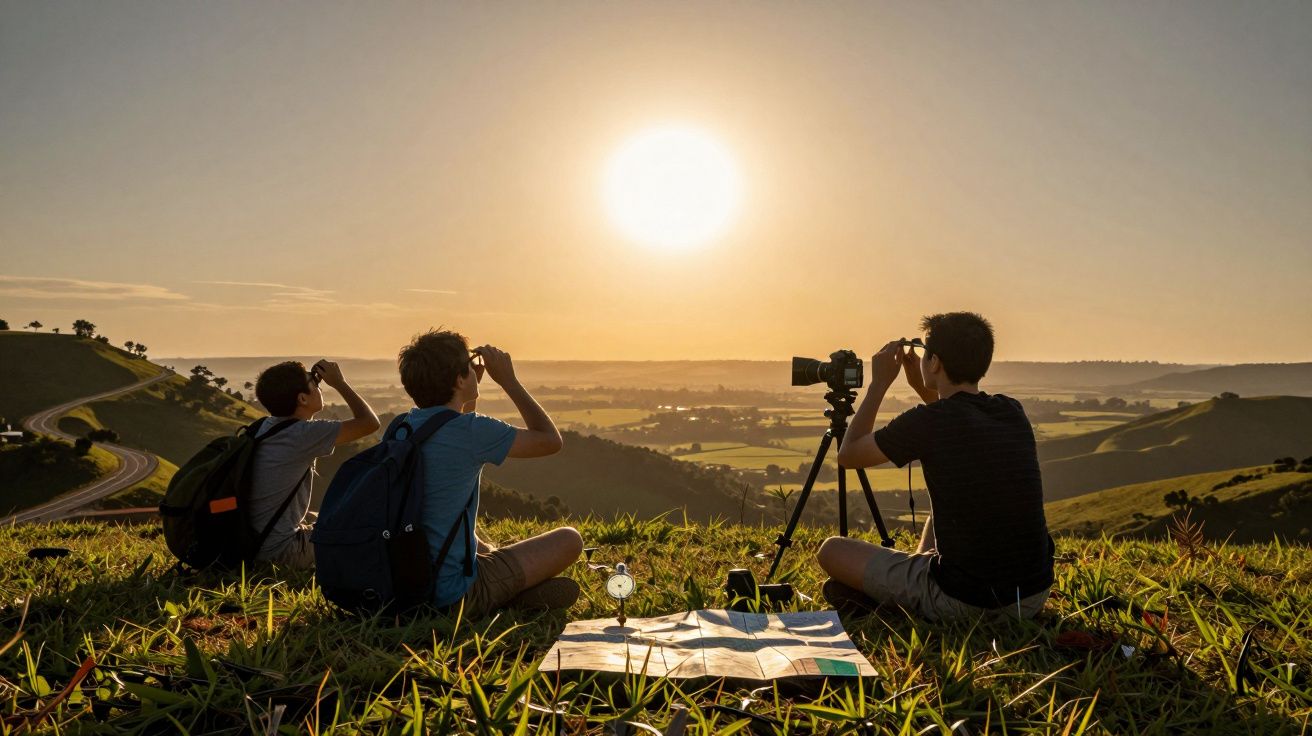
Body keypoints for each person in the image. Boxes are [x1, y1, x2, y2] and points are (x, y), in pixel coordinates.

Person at [819, 312, 1053, 622]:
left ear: (935, 362)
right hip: (1031, 596)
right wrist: (922, 384)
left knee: (831, 550)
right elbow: (955, 422)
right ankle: (916, 580)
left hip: (964, 601)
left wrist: (879, 384)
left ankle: (911, 601)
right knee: (950, 502)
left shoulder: (926, 422)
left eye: (925, 351)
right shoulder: (1011, 410)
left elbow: (848, 455)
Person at [397, 329, 583, 616]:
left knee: (481, 543)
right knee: (570, 540)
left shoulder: (401, 427)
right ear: (459, 379)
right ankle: (506, 599)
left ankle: (509, 588)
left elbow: (451, 431)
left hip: (402, 586)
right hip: (450, 596)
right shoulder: (473, 431)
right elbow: (549, 440)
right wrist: (508, 380)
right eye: (468, 367)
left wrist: (464, 393)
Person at [250, 360, 380, 568]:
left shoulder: (264, 427)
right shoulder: (302, 434)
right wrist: (339, 383)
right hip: (280, 554)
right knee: (358, 521)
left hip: (250, 545)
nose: (320, 387)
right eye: (314, 382)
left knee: (316, 515)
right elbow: (369, 423)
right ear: (302, 399)